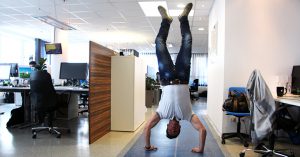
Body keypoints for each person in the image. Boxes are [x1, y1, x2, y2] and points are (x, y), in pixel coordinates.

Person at [144, 3, 207, 153]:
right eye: (175, 131)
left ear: (167, 127)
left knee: (159, 43)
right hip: (183, 76)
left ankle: (166, 20)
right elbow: (202, 130)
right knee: (188, 40)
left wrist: (147, 146)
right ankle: (183, 18)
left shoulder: (161, 114)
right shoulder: (187, 115)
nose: (172, 128)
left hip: (166, 78)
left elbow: (147, 128)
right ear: (179, 128)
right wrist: (201, 148)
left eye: (170, 130)